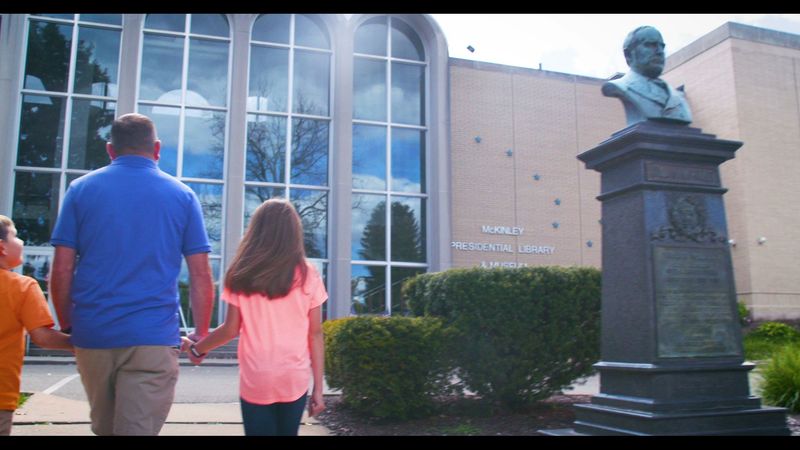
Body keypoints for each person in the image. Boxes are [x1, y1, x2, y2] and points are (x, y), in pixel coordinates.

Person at [49, 113, 215, 436]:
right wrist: (202, 332)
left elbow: (62, 268)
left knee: (105, 428)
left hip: (94, 336)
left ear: (111, 150)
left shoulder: (80, 190)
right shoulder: (182, 196)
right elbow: (200, 274)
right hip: (152, 338)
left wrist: (70, 324)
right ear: (157, 149)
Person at [182, 198, 327, 436]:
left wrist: (197, 349)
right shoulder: (308, 274)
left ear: (256, 230)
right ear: (293, 233)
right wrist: (319, 390)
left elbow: (230, 330)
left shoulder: (241, 273)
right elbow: (315, 334)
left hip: (256, 379)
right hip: (294, 379)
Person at [0, 215, 74, 436]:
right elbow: (42, 337)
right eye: (16, 236)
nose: (21, 242)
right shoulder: (20, 287)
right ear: (2, 247)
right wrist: (83, 344)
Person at [602, 25, 693, 126]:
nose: (660, 52)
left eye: (662, 46)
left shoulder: (678, 97)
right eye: (650, 45)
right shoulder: (620, 86)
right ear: (628, 54)